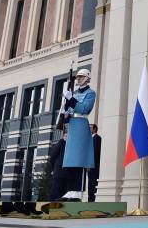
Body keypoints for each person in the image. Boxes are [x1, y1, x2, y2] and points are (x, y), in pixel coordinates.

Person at [59, 68, 96, 201]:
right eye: (77, 77)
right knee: (70, 161)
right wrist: (65, 113)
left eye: (81, 77)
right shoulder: (73, 93)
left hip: (81, 124)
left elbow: (84, 108)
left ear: (87, 78)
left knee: (79, 160)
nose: (78, 79)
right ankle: (70, 191)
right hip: (73, 126)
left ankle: (78, 192)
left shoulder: (91, 93)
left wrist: (71, 99)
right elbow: (69, 110)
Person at [49, 132, 68, 201]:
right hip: (58, 171)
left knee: (62, 192)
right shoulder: (61, 142)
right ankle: (51, 207)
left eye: (68, 136)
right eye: (66, 136)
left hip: (65, 173)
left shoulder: (69, 145)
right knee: (55, 190)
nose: (67, 137)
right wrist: (53, 169)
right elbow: (53, 156)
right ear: (63, 136)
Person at [88, 123, 101, 202]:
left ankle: (92, 201)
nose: (89, 129)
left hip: (94, 166)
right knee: (90, 184)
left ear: (95, 129)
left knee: (93, 184)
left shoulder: (97, 138)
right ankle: (90, 200)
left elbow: (95, 153)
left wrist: (90, 164)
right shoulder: (91, 138)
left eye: (90, 128)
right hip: (90, 166)